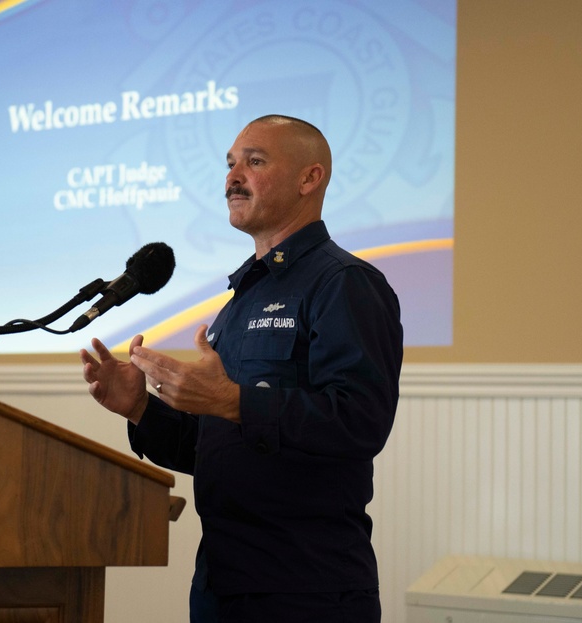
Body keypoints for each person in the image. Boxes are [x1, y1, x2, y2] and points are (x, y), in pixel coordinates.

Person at [80, 115, 403, 622]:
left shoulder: (344, 283)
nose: (233, 176)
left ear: (308, 178)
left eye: (255, 162)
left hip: (306, 590)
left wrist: (231, 400)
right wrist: (142, 409)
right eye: (231, 163)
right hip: (222, 585)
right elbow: (223, 443)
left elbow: (361, 422)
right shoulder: (240, 301)